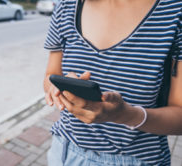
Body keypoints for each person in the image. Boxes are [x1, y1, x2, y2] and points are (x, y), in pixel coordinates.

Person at [43, 0, 182, 165]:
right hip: (64, 150)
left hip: (136, 159)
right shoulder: (67, 6)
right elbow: (51, 75)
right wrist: (56, 90)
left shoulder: (174, 10)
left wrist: (125, 115)